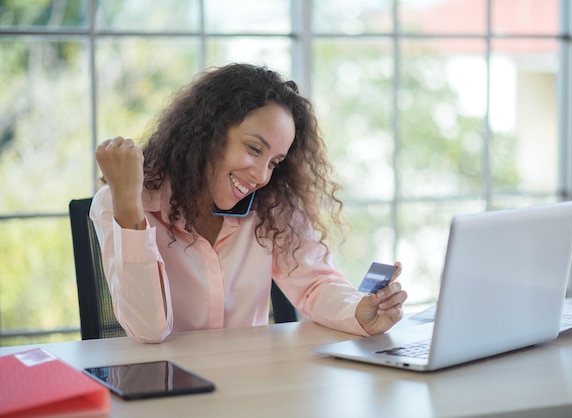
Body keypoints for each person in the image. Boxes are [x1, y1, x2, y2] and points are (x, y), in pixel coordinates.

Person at [91, 63, 408, 343]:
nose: (261, 176)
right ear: (208, 132)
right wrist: (129, 206)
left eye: (274, 162)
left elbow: (315, 284)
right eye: (254, 149)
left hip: (250, 385)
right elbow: (149, 329)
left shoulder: (272, 205)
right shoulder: (119, 203)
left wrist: (359, 311)